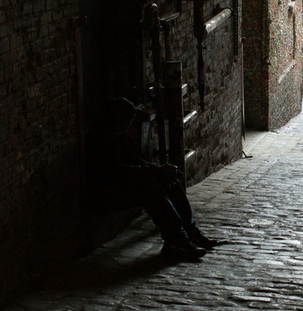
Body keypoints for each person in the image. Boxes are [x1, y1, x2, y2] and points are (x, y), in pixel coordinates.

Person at [94, 97, 219, 260]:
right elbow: (116, 170)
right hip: (107, 191)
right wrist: (155, 171)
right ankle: (176, 240)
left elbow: (135, 161)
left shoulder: (118, 137)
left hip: (122, 182)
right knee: (151, 188)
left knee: (170, 180)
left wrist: (159, 171)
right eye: (128, 121)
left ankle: (190, 231)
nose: (130, 125)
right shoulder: (101, 141)